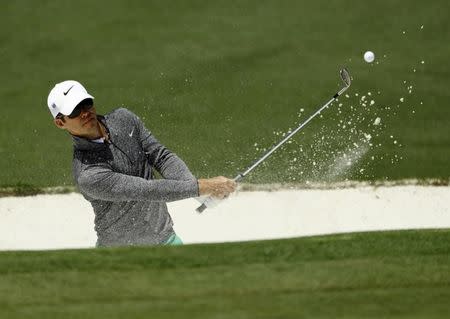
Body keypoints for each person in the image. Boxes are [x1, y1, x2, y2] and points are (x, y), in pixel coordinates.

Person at [47, 80, 236, 247]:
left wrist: (195, 190)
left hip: (166, 240)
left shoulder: (124, 119)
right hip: (119, 257)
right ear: (60, 123)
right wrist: (202, 187)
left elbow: (161, 156)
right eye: (74, 111)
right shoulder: (88, 174)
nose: (85, 113)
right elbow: (147, 190)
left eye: (86, 103)